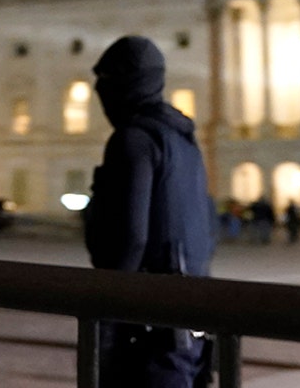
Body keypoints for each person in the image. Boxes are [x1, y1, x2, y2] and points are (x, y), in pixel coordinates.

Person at [82, 36, 214, 388]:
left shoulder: (134, 139)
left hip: (145, 329)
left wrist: (107, 321)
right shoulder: (184, 139)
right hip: (188, 323)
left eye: (105, 81)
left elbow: (131, 240)